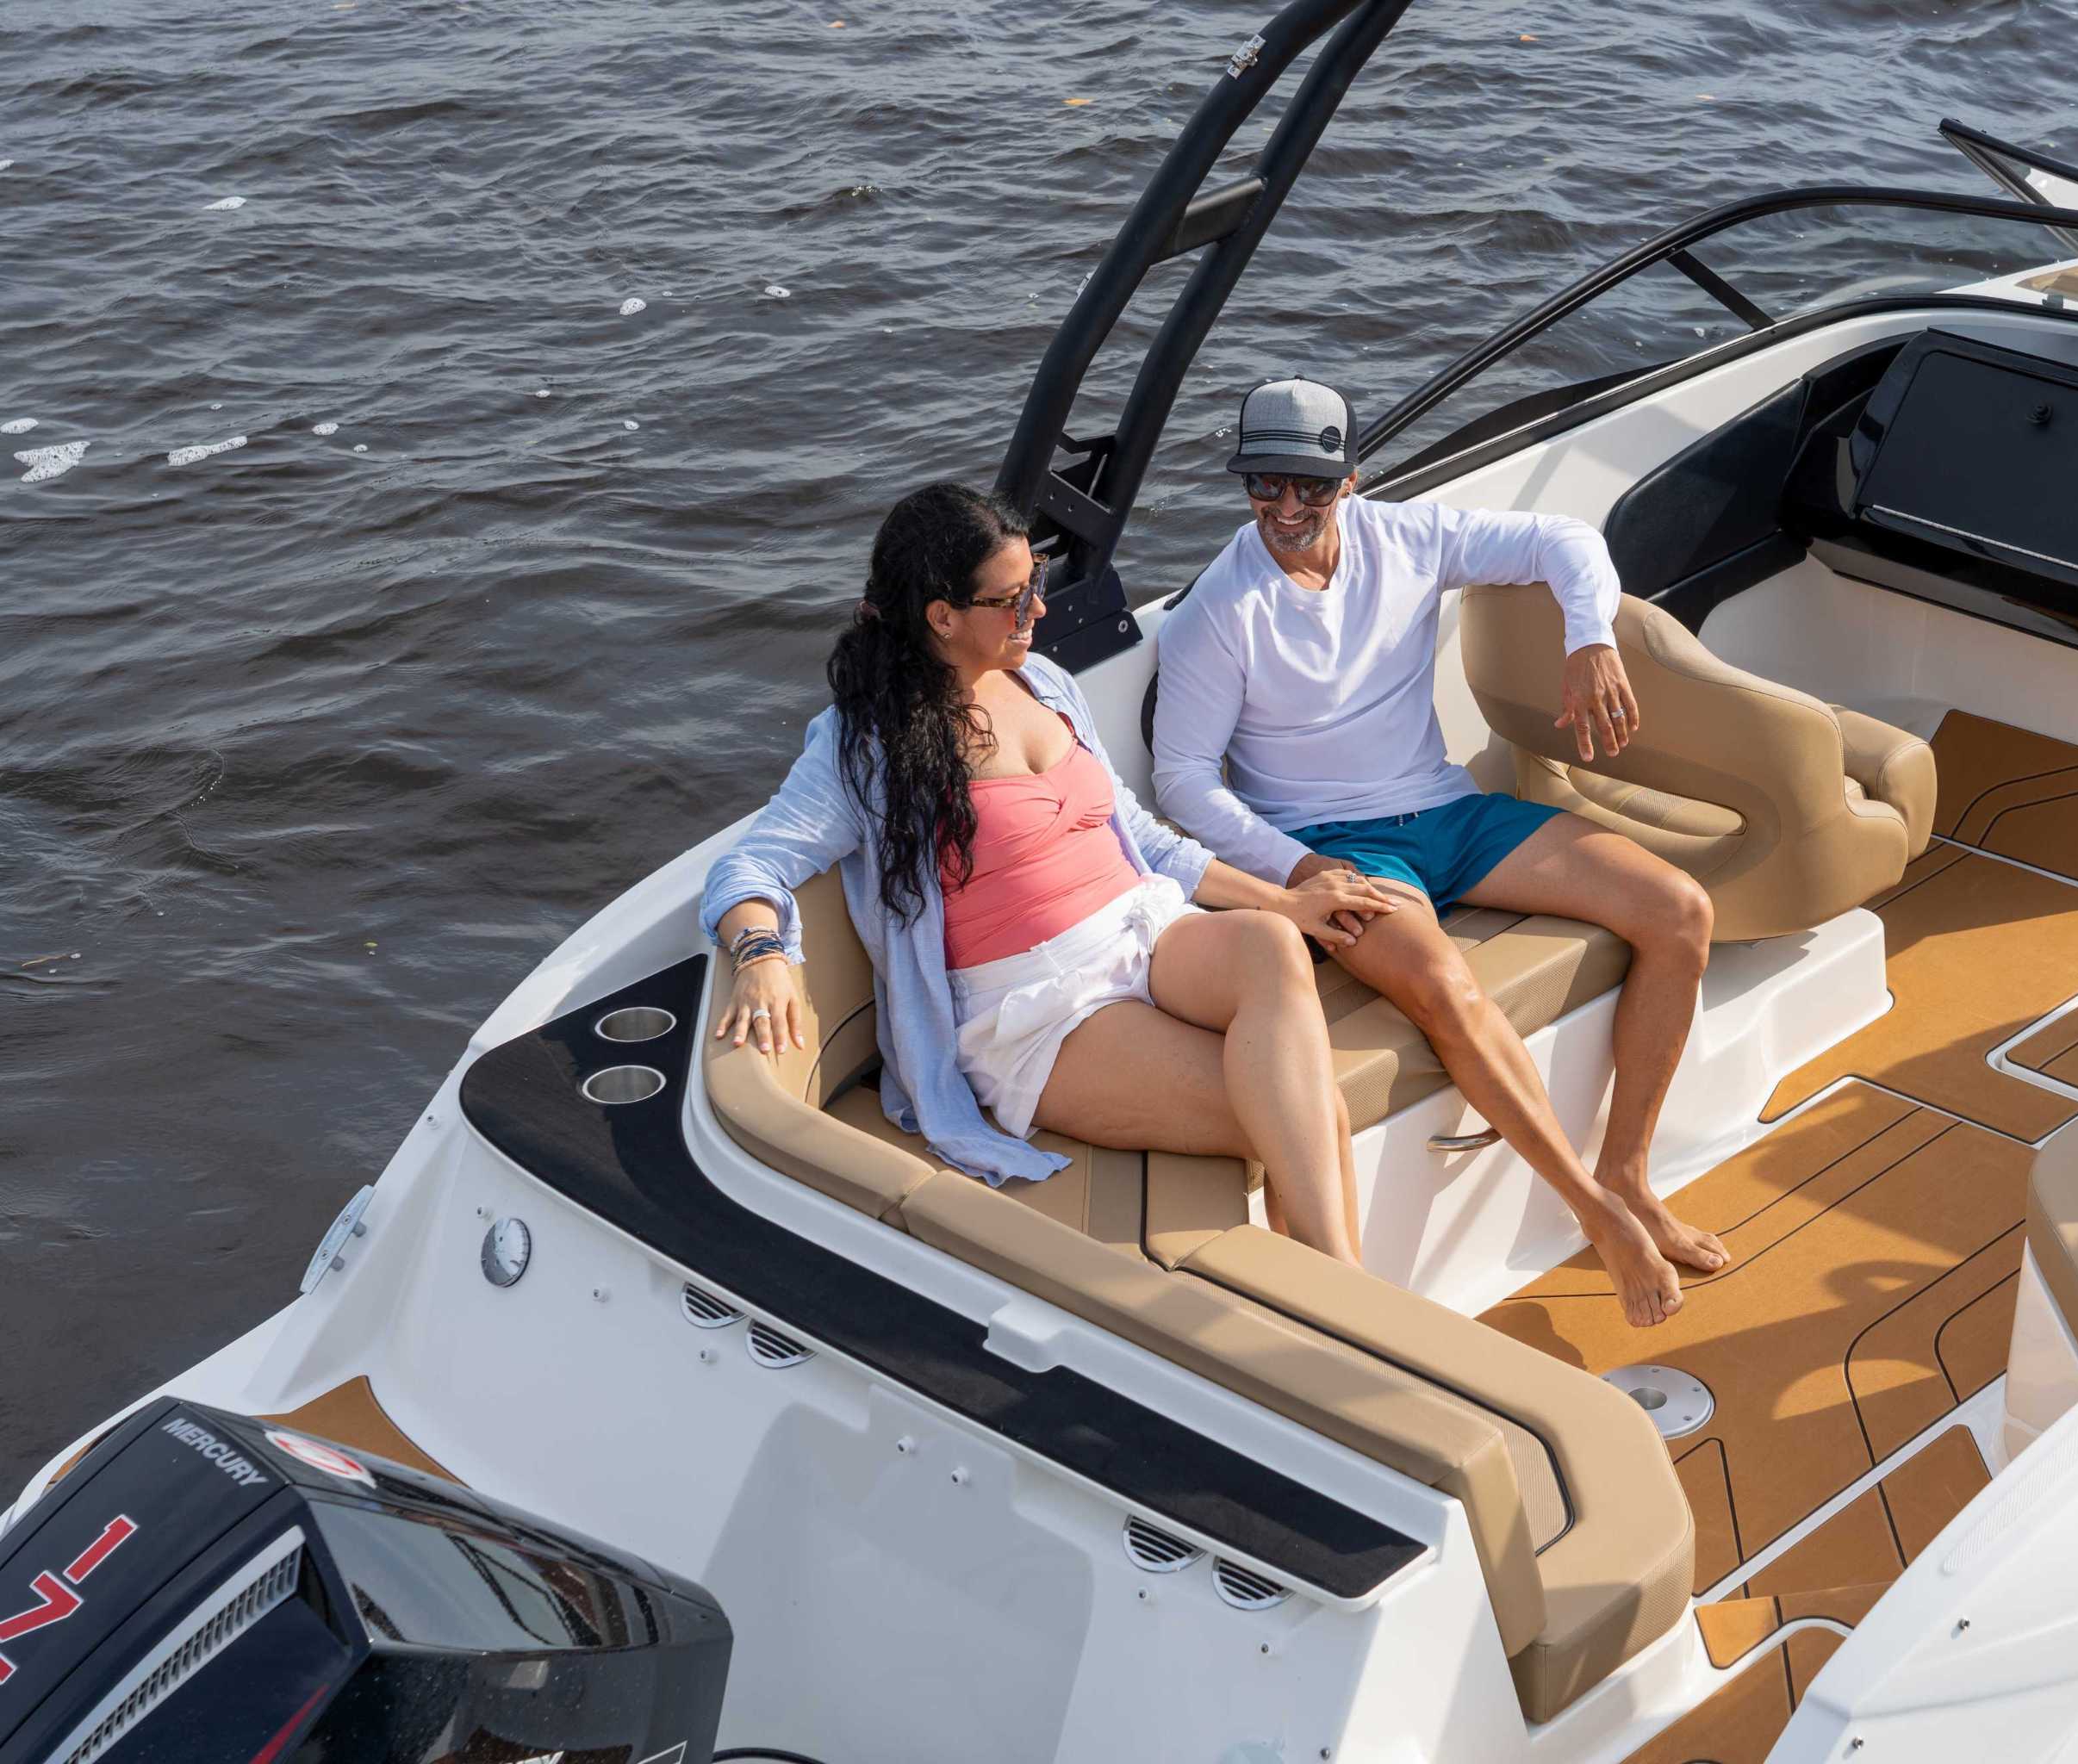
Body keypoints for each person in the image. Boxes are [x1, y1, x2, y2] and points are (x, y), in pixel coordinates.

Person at [1153, 377, 1727, 1329]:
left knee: (1679, 910)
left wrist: (1590, 638)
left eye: (1310, 485)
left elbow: (1563, 539)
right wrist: (1295, 868)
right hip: (1334, 847)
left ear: (1350, 479)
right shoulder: (1218, 610)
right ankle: (1597, 1212)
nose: (1285, 507)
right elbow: (1180, 778)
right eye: (1263, 483)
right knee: (1448, 987)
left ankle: (1626, 1169)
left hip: (1450, 813)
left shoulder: (1407, 536)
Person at [702, 481, 1395, 1264]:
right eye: (1011, 599)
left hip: (1145, 930)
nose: (1037, 608)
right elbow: (752, 865)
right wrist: (761, 955)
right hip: (1041, 1006)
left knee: (1271, 944)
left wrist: (1284, 900)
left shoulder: (1044, 682)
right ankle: (1346, 1294)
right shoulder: (866, 743)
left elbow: (1135, 836)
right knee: (1307, 1113)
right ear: (942, 616)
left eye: (1034, 582)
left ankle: (1337, 1300)